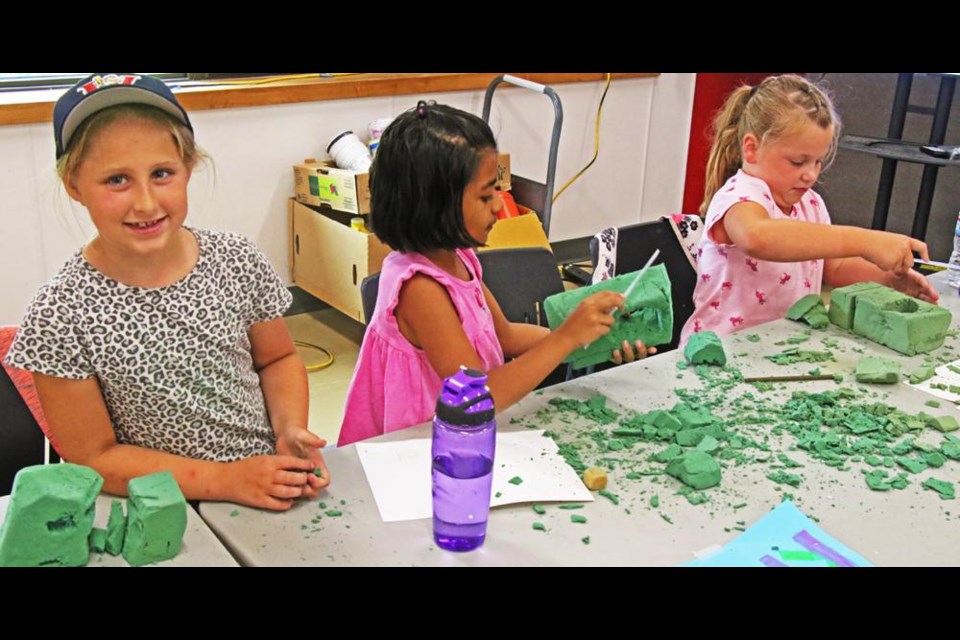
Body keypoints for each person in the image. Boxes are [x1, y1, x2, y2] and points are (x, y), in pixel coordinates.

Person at [4, 73, 329, 511]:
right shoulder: (59, 314)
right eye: (117, 180)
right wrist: (226, 480)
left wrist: (290, 429)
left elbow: (278, 358)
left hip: (264, 486)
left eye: (161, 173)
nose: (145, 203)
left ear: (188, 168)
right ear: (74, 186)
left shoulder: (236, 259)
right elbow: (93, 458)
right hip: (157, 510)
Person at [339, 101, 655, 446]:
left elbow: (503, 335)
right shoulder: (420, 288)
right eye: (485, 194)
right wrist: (565, 339)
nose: (497, 204)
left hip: (462, 432)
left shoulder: (460, 257)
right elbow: (474, 399)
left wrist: (590, 340)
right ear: (434, 204)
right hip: (415, 449)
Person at [680, 74, 939, 343]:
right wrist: (866, 241)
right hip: (718, 353)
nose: (811, 175)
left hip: (781, 349)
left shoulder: (810, 202)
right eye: (798, 162)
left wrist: (888, 278)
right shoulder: (738, 197)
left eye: (818, 162)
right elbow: (757, 237)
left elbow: (834, 267)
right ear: (751, 149)